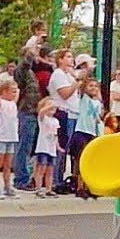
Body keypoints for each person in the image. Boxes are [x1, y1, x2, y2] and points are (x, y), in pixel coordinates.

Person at [12, 46, 43, 191]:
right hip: (26, 111)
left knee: (28, 146)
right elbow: (25, 64)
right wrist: (32, 50)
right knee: (23, 146)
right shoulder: (22, 71)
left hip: (33, 111)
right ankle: (21, 179)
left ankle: (25, 176)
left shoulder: (30, 73)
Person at [46, 49, 79, 188]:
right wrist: (76, 81)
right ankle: (55, 180)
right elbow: (65, 94)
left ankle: (60, 177)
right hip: (62, 112)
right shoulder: (58, 74)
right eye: (68, 57)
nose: (71, 59)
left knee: (66, 147)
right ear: (60, 59)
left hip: (72, 113)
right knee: (60, 147)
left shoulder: (68, 75)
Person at [69, 77, 104, 199]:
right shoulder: (84, 99)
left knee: (90, 160)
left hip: (92, 132)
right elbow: (80, 88)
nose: (93, 88)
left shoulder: (97, 103)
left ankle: (89, 186)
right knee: (80, 159)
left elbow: (97, 118)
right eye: (91, 86)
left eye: (95, 86)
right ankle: (79, 186)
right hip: (82, 131)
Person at [0, 78, 19, 200]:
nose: (15, 93)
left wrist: (14, 85)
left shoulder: (13, 104)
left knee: (8, 164)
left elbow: (17, 92)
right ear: (5, 92)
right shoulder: (2, 103)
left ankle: (7, 186)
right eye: (12, 91)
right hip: (2, 137)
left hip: (12, 137)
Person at [34, 98, 60, 198]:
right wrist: (50, 105)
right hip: (43, 148)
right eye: (49, 105)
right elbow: (41, 112)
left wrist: (58, 146)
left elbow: (55, 135)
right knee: (41, 168)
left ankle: (49, 189)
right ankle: (38, 188)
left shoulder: (56, 121)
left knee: (50, 170)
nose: (52, 107)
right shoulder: (43, 119)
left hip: (52, 149)